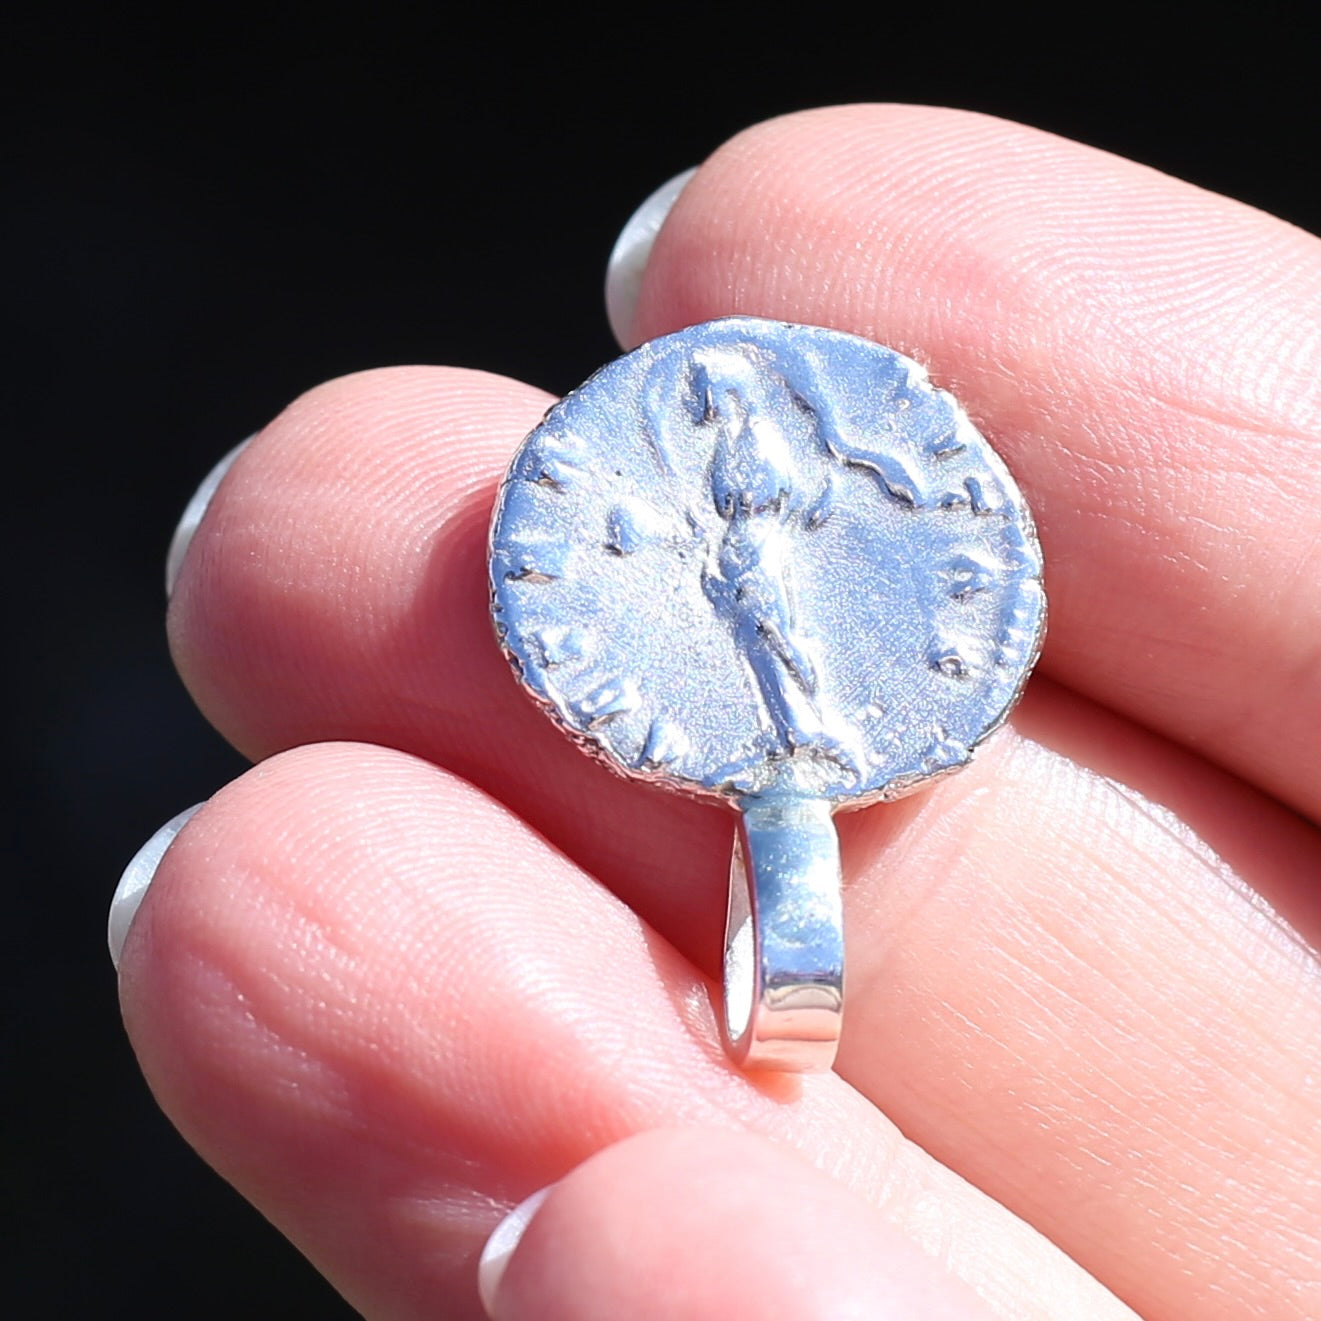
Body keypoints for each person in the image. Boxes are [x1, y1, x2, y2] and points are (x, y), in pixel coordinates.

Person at [109, 105, 1321, 1319]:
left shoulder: (777, 452)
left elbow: (818, 489)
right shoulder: (748, 459)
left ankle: (803, 737)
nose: (715, 411)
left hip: (763, 585)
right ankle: (800, 736)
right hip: (744, 586)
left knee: (789, 665)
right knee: (775, 661)